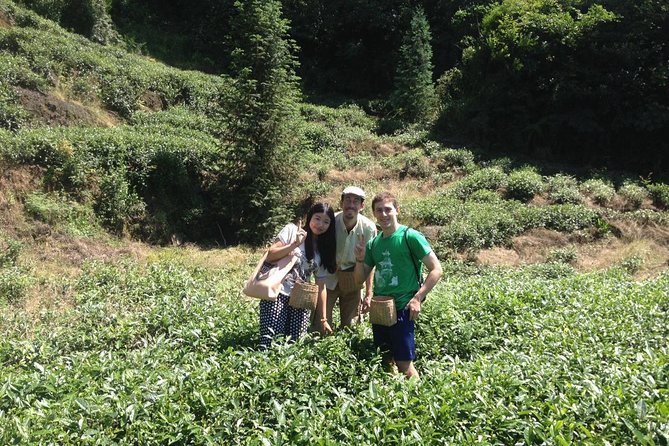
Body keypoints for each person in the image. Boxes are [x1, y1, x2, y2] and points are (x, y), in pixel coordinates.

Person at [354, 191, 443, 378]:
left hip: (403, 306)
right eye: (379, 210)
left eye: (388, 209)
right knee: (385, 359)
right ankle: (395, 399)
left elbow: (436, 270)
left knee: (404, 363)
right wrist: (360, 259)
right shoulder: (373, 244)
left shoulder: (410, 236)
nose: (384, 214)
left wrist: (417, 298)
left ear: (397, 210)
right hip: (381, 308)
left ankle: (418, 401)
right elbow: (358, 280)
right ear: (374, 213)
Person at [259, 202, 336, 349]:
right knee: (270, 342)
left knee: (295, 345)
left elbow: (321, 286)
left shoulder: (323, 248)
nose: (320, 224)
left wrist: (323, 318)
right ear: (310, 217)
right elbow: (270, 255)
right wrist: (294, 244)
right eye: (317, 218)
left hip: (301, 299)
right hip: (277, 293)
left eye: (326, 222)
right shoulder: (292, 230)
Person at [311, 186, 377, 331]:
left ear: (362, 206)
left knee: (351, 327)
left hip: (353, 277)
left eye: (356, 201)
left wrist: (369, 293)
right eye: (347, 200)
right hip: (328, 276)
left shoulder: (368, 228)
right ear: (341, 203)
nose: (351, 205)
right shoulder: (330, 221)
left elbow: (369, 262)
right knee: (319, 324)